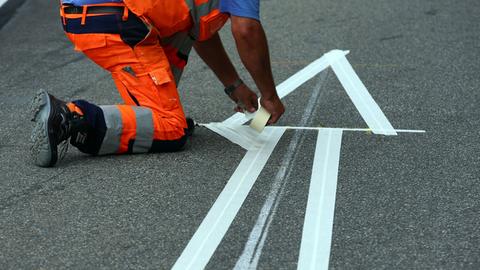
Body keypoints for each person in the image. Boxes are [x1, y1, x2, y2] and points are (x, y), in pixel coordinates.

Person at [30, 0, 285, 167]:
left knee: (150, 121)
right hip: (116, 20)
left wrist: (234, 85)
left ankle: (152, 115)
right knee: (172, 130)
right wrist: (269, 96)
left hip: (92, 14)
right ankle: (70, 117)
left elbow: (197, 26)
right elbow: (246, 30)